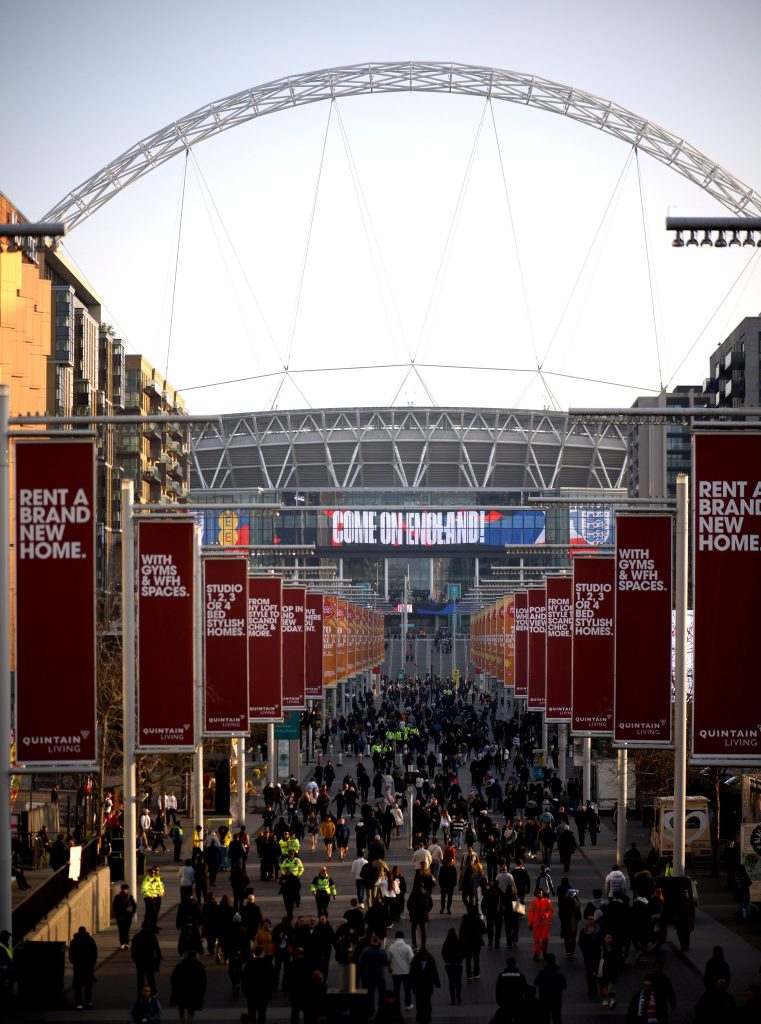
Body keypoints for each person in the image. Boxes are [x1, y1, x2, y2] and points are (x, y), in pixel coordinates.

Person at [170, 948, 207, 1023]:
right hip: (194, 991)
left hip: (181, 990)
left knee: (181, 1007)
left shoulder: (180, 965)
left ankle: (182, 1020)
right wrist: (202, 991)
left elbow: (173, 978)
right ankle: (190, 1020)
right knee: (191, 1009)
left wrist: (175, 987)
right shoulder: (199, 966)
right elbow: (203, 981)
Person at [241, 946, 276, 1024]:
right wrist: (270, 991)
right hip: (264, 993)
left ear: (254, 954)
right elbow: (273, 979)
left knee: (252, 1013)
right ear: (263, 953)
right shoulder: (268, 964)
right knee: (262, 1013)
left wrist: (246, 993)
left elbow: (244, 980)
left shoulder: (249, 964)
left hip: (251, 993)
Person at [358, 931, 391, 1012]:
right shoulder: (382, 952)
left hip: (369, 976)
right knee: (381, 994)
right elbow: (387, 963)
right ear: (378, 941)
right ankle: (381, 1009)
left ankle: (371, 1010)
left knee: (370, 995)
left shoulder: (366, 951)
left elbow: (360, 961)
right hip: (380, 976)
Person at [409, 946, 440, 1024]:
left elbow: (434, 973)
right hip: (419, 986)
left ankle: (426, 1016)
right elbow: (412, 974)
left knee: (426, 1002)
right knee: (420, 1002)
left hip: (426, 986)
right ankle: (421, 1016)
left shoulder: (429, 961)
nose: (423, 956)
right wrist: (411, 985)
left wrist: (437, 982)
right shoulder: (416, 962)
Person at [69, 925, 98, 1010]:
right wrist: (92, 963)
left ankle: (79, 1003)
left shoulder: (75, 941)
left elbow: (71, 954)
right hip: (88, 967)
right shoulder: (90, 940)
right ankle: (88, 1002)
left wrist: (74, 962)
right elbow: (94, 953)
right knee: (88, 986)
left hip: (78, 966)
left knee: (78, 986)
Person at [132, 921, 163, 996]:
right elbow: (157, 948)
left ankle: (140, 993)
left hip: (140, 961)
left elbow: (133, 949)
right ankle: (153, 991)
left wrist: (135, 958)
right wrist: (158, 957)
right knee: (150, 977)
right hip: (150, 960)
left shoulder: (137, 937)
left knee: (140, 978)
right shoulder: (152, 936)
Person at [534, 952, 567, 1024]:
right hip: (556, 1000)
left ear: (547, 961)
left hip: (544, 1000)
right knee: (557, 1018)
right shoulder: (560, 974)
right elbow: (564, 986)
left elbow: (536, 982)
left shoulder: (542, 973)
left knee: (545, 1018)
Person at [388, 929, 415, 1010]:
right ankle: (408, 1005)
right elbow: (411, 960)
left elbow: (388, 959)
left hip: (395, 972)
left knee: (396, 989)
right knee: (407, 989)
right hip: (406, 972)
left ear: (395, 938)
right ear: (403, 938)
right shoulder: (407, 947)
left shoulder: (391, 947)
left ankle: (397, 1005)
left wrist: (390, 968)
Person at [495, 956, 527, 1023]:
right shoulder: (520, 975)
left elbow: (498, 989)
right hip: (517, 999)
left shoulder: (502, 975)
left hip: (505, 1000)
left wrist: (498, 1000)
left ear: (507, 964)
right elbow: (524, 987)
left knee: (506, 1018)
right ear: (515, 964)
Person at [459, 903, 485, 981]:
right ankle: (476, 973)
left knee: (468, 958)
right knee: (476, 957)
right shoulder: (478, 919)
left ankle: (469, 975)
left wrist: (462, 941)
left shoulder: (464, 919)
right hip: (477, 941)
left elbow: (461, 932)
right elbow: (484, 930)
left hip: (467, 942)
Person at [528, 888, 554, 961]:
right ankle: (536, 953)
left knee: (545, 940)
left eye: (541, 893)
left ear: (543, 893)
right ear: (536, 894)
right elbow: (531, 913)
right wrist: (530, 923)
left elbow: (551, 911)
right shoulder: (534, 902)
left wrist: (545, 915)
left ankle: (544, 952)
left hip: (545, 924)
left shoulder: (547, 901)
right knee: (536, 941)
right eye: (538, 893)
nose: (539, 894)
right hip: (536, 925)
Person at [441, 925, 465, 1006]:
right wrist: (460, 958)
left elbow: (443, 954)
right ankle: (459, 997)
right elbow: (464, 952)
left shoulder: (446, 943)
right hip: (458, 964)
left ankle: (452, 999)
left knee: (451, 982)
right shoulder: (458, 942)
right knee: (458, 981)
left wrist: (447, 959)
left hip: (449, 965)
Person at [113, 882, 138, 949]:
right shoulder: (117, 897)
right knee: (121, 930)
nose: (124, 890)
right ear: (121, 889)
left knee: (126, 930)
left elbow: (134, 905)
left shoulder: (130, 897)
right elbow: (114, 906)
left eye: (125, 889)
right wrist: (117, 914)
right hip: (120, 917)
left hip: (128, 916)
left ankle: (126, 943)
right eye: (123, 889)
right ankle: (122, 943)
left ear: (127, 890)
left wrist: (132, 913)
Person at [142, 866, 165, 931]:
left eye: (158, 870)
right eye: (155, 871)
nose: (156, 872)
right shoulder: (148, 879)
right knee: (151, 913)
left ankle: (153, 925)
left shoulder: (158, 878)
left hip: (157, 897)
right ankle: (148, 926)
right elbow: (144, 889)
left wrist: (161, 892)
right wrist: (150, 895)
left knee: (155, 913)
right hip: (150, 898)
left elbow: (160, 886)